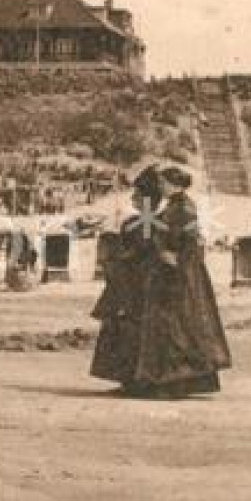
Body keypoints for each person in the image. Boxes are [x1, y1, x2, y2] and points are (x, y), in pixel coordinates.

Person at [126, 165, 232, 398]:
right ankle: (163, 381)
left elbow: (193, 242)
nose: (161, 187)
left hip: (180, 275)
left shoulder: (184, 208)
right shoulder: (176, 205)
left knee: (176, 327)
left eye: (164, 183)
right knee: (169, 327)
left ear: (176, 185)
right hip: (170, 272)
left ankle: (173, 383)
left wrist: (176, 259)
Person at [90, 166, 162, 392]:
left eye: (137, 195)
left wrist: (119, 260)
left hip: (134, 283)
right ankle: (133, 379)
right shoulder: (141, 222)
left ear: (146, 199)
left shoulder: (141, 222)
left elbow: (141, 250)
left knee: (130, 332)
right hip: (135, 281)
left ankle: (133, 379)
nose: (133, 198)